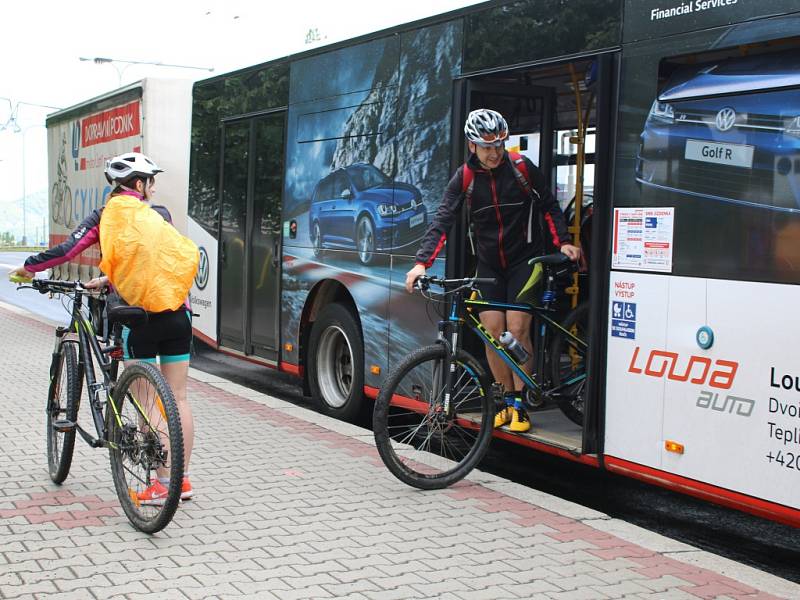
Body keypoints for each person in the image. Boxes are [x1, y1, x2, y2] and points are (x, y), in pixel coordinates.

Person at [10, 152, 195, 504]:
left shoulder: (105, 216)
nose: (152, 189)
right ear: (140, 185)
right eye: (150, 183)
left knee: (147, 398)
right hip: (177, 314)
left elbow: (67, 250)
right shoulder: (160, 216)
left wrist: (29, 268)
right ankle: (182, 481)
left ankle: (161, 483)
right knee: (179, 398)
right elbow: (156, 261)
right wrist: (110, 277)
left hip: (139, 318)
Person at [405, 109, 581, 433]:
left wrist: (564, 242)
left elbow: (549, 206)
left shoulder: (522, 169)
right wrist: (421, 263)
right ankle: (504, 398)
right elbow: (442, 221)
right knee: (493, 332)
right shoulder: (465, 179)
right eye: (487, 146)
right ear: (472, 146)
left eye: (499, 144)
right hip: (488, 264)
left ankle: (521, 406)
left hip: (526, 262)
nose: (494, 152)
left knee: (516, 330)